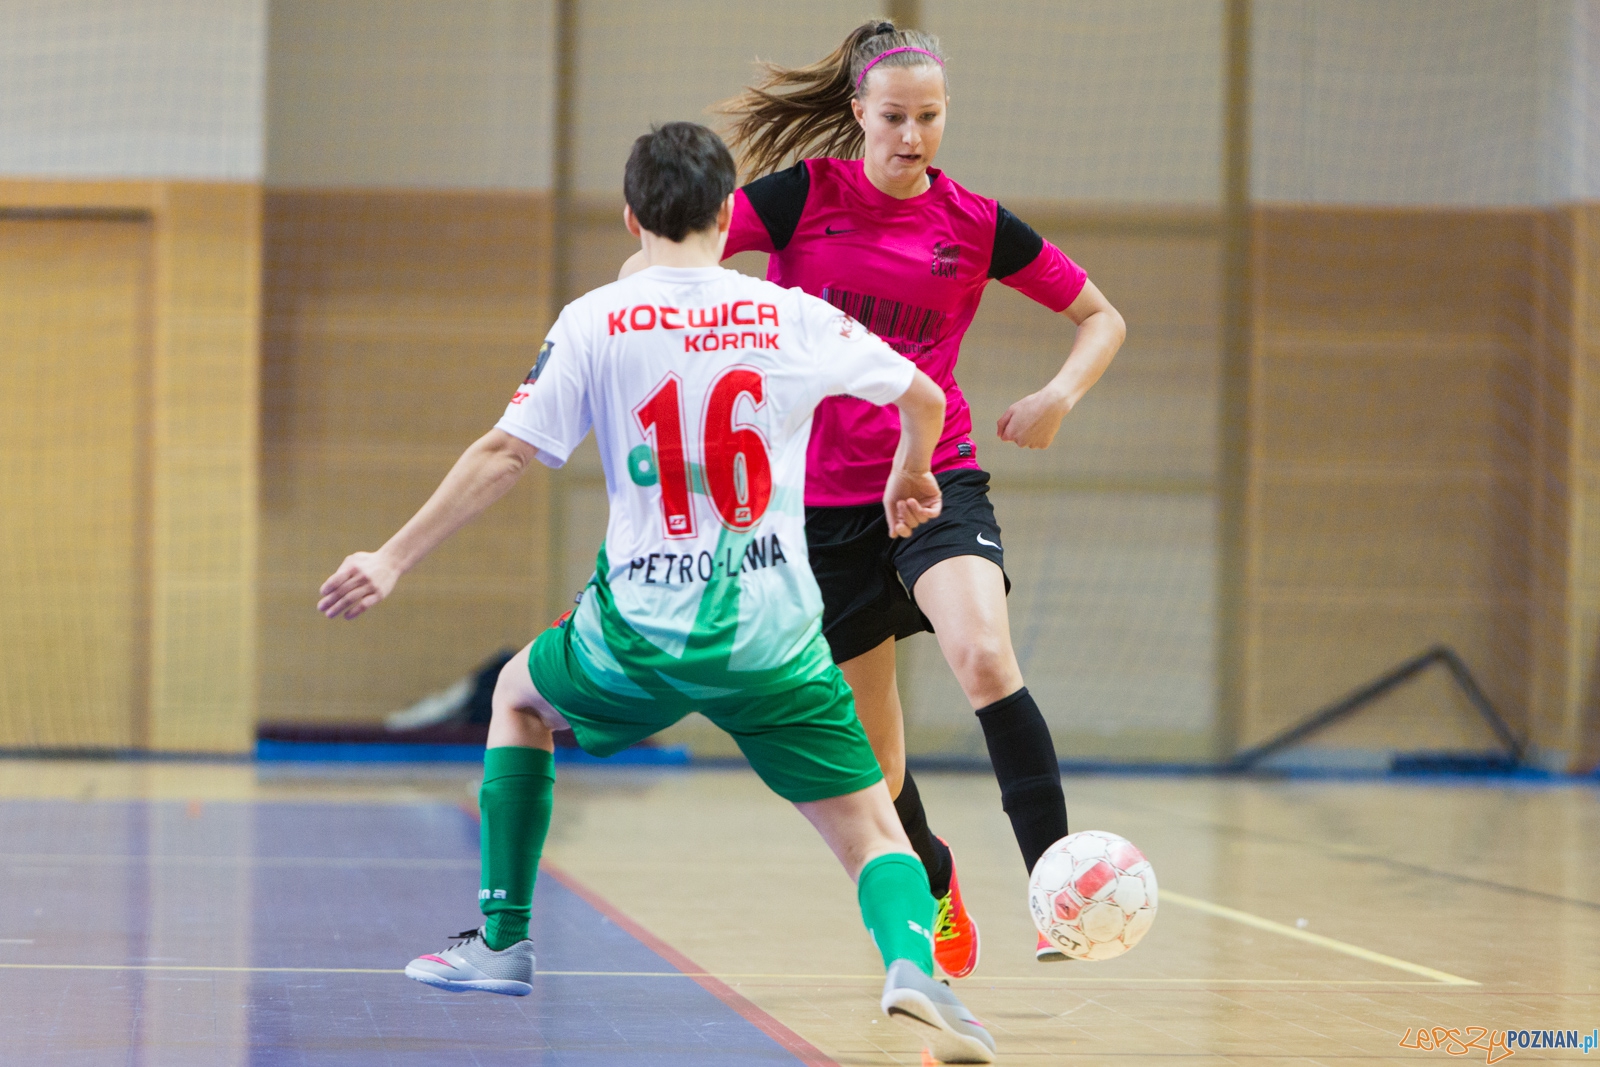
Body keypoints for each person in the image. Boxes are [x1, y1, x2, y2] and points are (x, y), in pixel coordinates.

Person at [318, 122, 996, 1065]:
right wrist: (909, 473)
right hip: (775, 633)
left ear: (632, 215)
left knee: (517, 695)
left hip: (642, 626)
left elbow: (506, 452)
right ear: (728, 214)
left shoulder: (597, 317)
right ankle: (912, 966)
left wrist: (392, 557)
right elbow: (921, 393)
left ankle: (504, 941)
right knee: (872, 823)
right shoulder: (789, 312)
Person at [623, 21, 1126, 976]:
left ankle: (1059, 890)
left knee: (982, 653)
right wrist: (643, 324)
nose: (912, 136)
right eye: (893, 117)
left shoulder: (974, 224)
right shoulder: (804, 198)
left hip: (932, 477)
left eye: (930, 118)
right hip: (815, 512)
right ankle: (935, 880)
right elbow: (672, 256)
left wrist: (1059, 395)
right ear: (857, 114)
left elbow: (1101, 316)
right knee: (881, 765)